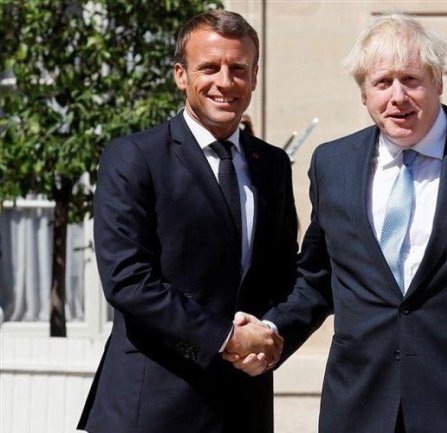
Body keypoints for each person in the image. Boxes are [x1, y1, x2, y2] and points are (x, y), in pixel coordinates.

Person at [226, 13, 447, 433]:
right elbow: (318, 280)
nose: (398, 97)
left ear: (438, 81)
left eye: (411, 80)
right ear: (364, 94)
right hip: (358, 409)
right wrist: (270, 330)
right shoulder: (332, 164)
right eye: (382, 82)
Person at [78, 10, 297, 433]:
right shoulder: (134, 157)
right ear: (181, 75)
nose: (225, 82)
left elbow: (283, 276)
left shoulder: (272, 165)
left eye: (238, 69)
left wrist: (269, 335)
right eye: (209, 68)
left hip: (243, 407)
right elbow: (128, 281)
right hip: (153, 409)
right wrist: (226, 337)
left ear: (254, 77)